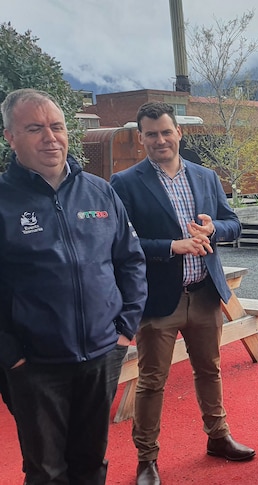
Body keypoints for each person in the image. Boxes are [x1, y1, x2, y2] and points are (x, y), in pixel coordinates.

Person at [0, 88, 147, 484]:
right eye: (35, 128)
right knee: (47, 470)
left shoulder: (100, 192)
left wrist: (125, 329)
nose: (50, 137)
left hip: (102, 355)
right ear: (9, 137)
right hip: (35, 365)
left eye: (57, 126)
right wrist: (10, 353)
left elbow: (130, 260)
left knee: (91, 462)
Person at [110, 102, 254, 485]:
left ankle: (218, 437)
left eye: (166, 131)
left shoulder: (206, 177)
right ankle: (147, 459)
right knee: (151, 381)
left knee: (210, 370)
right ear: (141, 139)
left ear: (179, 133)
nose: (160, 139)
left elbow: (234, 223)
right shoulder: (124, 183)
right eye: (151, 134)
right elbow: (122, 243)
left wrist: (214, 231)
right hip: (159, 300)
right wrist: (172, 246)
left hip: (205, 293)